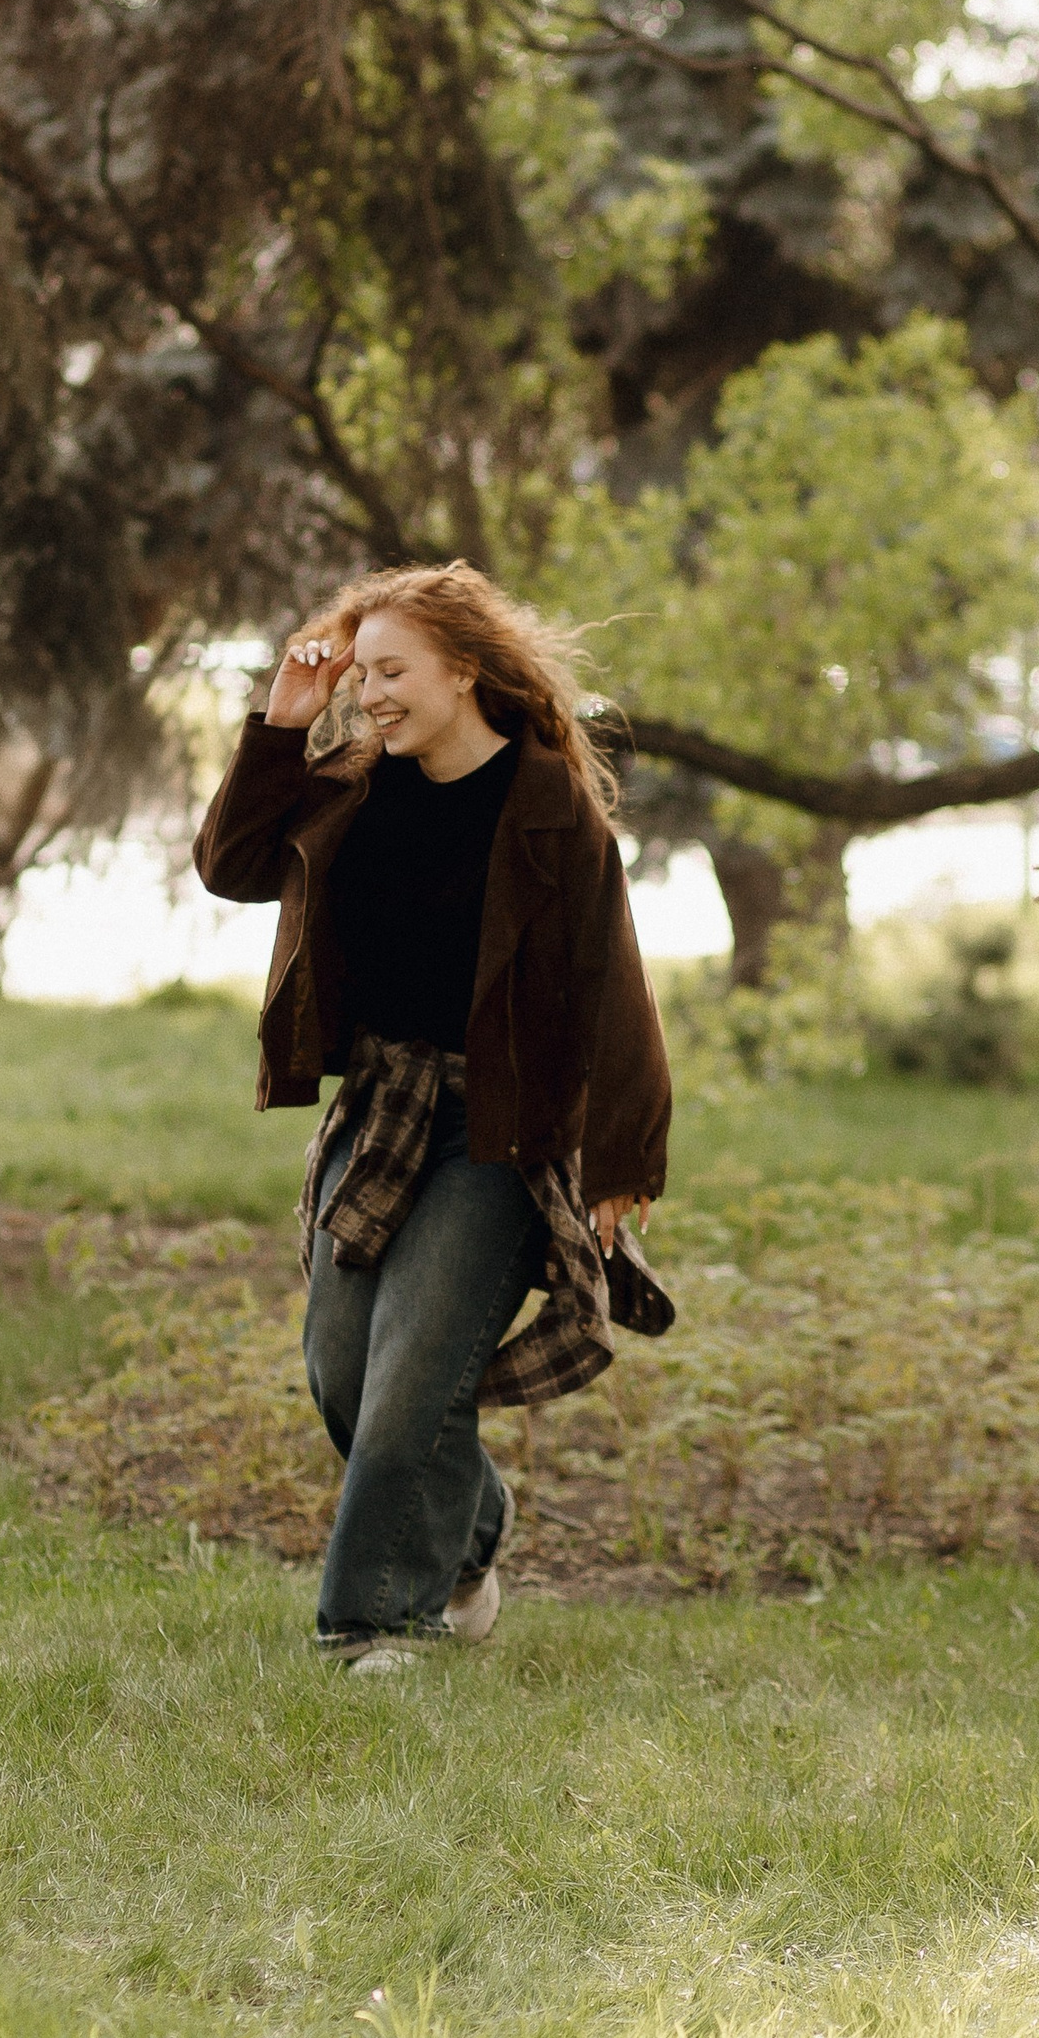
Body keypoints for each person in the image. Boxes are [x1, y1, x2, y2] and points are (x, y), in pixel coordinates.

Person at [192, 562, 673, 1673]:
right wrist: (282, 726)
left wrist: (622, 1158)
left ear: (465, 669)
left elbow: (614, 981)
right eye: (359, 674)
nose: (371, 695)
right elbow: (230, 867)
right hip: (385, 1107)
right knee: (341, 1367)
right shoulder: (352, 778)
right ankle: (473, 1534)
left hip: (498, 1126)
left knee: (412, 1373)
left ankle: (374, 1620)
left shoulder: (547, 800)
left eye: (393, 671)